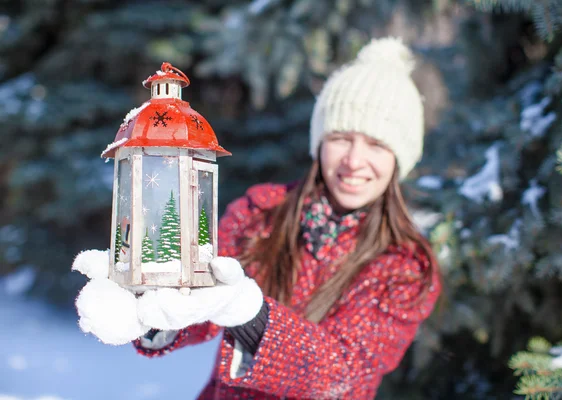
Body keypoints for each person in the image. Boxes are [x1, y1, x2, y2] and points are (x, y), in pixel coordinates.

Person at [73, 36, 441, 400]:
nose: (354, 160)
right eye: (341, 138)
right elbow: (200, 306)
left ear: (400, 159)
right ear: (320, 142)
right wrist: (150, 309)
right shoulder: (260, 213)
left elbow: (343, 373)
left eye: (376, 144)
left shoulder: (407, 265)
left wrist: (250, 313)